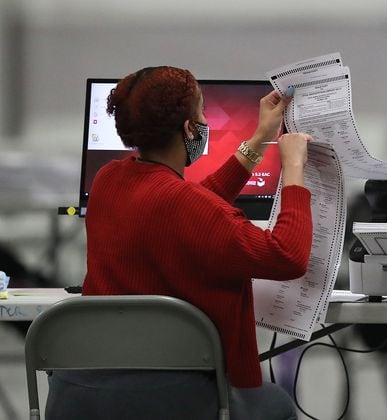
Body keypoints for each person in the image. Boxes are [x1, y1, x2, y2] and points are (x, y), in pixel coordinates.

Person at [46, 66, 313, 420]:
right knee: (276, 405)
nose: (204, 121)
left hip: (81, 396)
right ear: (189, 129)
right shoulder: (188, 208)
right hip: (175, 401)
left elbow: (188, 206)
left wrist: (260, 139)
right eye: (201, 114)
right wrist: (294, 167)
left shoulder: (108, 180)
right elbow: (287, 256)